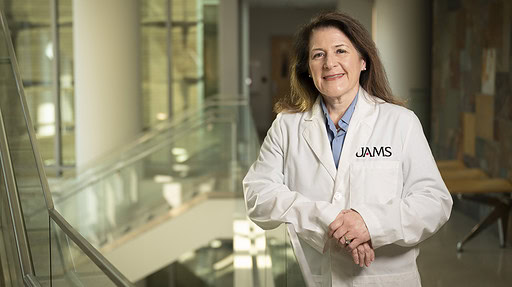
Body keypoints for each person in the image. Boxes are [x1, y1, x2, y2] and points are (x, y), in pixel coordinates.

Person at [243, 11, 453, 287]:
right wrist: (327, 219)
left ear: (363, 61)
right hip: (313, 277)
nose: (330, 63)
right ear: (307, 67)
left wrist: (370, 224)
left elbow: (433, 202)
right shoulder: (287, 125)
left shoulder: (400, 122)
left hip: (384, 278)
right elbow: (258, 196)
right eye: (318, 55)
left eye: (341, 51)